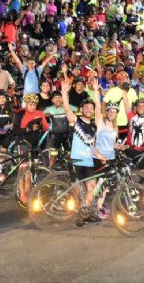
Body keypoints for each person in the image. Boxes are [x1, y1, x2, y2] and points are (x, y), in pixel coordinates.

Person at [60, 76, 101, 225]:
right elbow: (66, 109)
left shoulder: (94, 125)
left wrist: (96, 92)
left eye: (91, 108)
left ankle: (86, 212)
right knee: (78, 191)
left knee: (91, 187)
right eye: (86, 108)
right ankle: (78, 213)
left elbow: (93, 146)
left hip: (89, 162)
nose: (89, 109)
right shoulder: (75, 121)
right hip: (76, 161)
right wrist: (64, 93)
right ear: (81, 110)